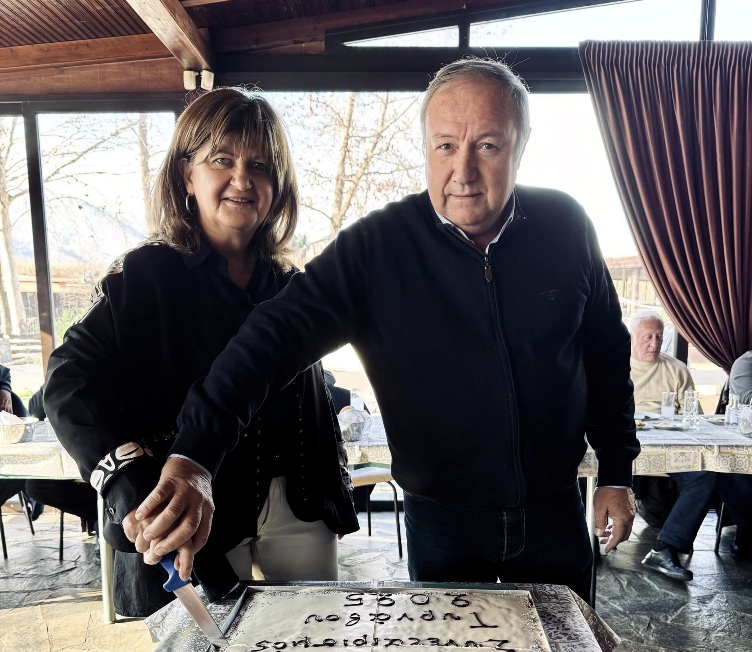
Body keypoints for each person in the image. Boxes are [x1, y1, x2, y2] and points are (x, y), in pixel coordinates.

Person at [132, 58, 640, 603]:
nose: (463, 171)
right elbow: (272, 338)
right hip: (442, 524)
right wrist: (195, 456)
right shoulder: (377, 248)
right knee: (450, 643)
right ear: (426, 147)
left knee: (564, 639)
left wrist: (616, 473)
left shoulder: (566, 225)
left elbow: (607, 354)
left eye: (488, 146)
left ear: (522, 144)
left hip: (555, 513)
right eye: (445, 146)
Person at [44, 88, 359, 617]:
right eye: (222, 160)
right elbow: (67, 379)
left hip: (299, 503)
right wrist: (122, 475)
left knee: (312, 633)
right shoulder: (143, 278)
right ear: (186, 175)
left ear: (278, 185)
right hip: (198, 511)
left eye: (260, 165)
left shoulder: (291, 283)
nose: (242, 179)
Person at [630, 312, 752, 580]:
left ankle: (665, 548)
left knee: (707, 472)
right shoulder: (615, 367)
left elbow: (692, 416)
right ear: (632, 338)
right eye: (647, 337)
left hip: (668, 446)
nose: (654, 343)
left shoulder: (676, 369)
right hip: (625, 446)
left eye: (659, 337)